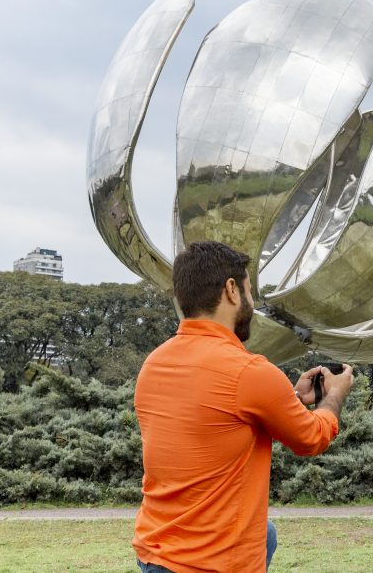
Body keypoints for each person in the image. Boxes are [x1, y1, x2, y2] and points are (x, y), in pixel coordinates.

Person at [133, 241, 354, 572]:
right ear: (232, 290)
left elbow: (216, 419)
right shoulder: (249, 371)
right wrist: (334, 395)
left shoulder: (154, 363)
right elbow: (311, 439)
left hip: (155, 553)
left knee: (266, 534)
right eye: (251, 292)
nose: (252, 303)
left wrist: (290, 399)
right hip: (212, 563)